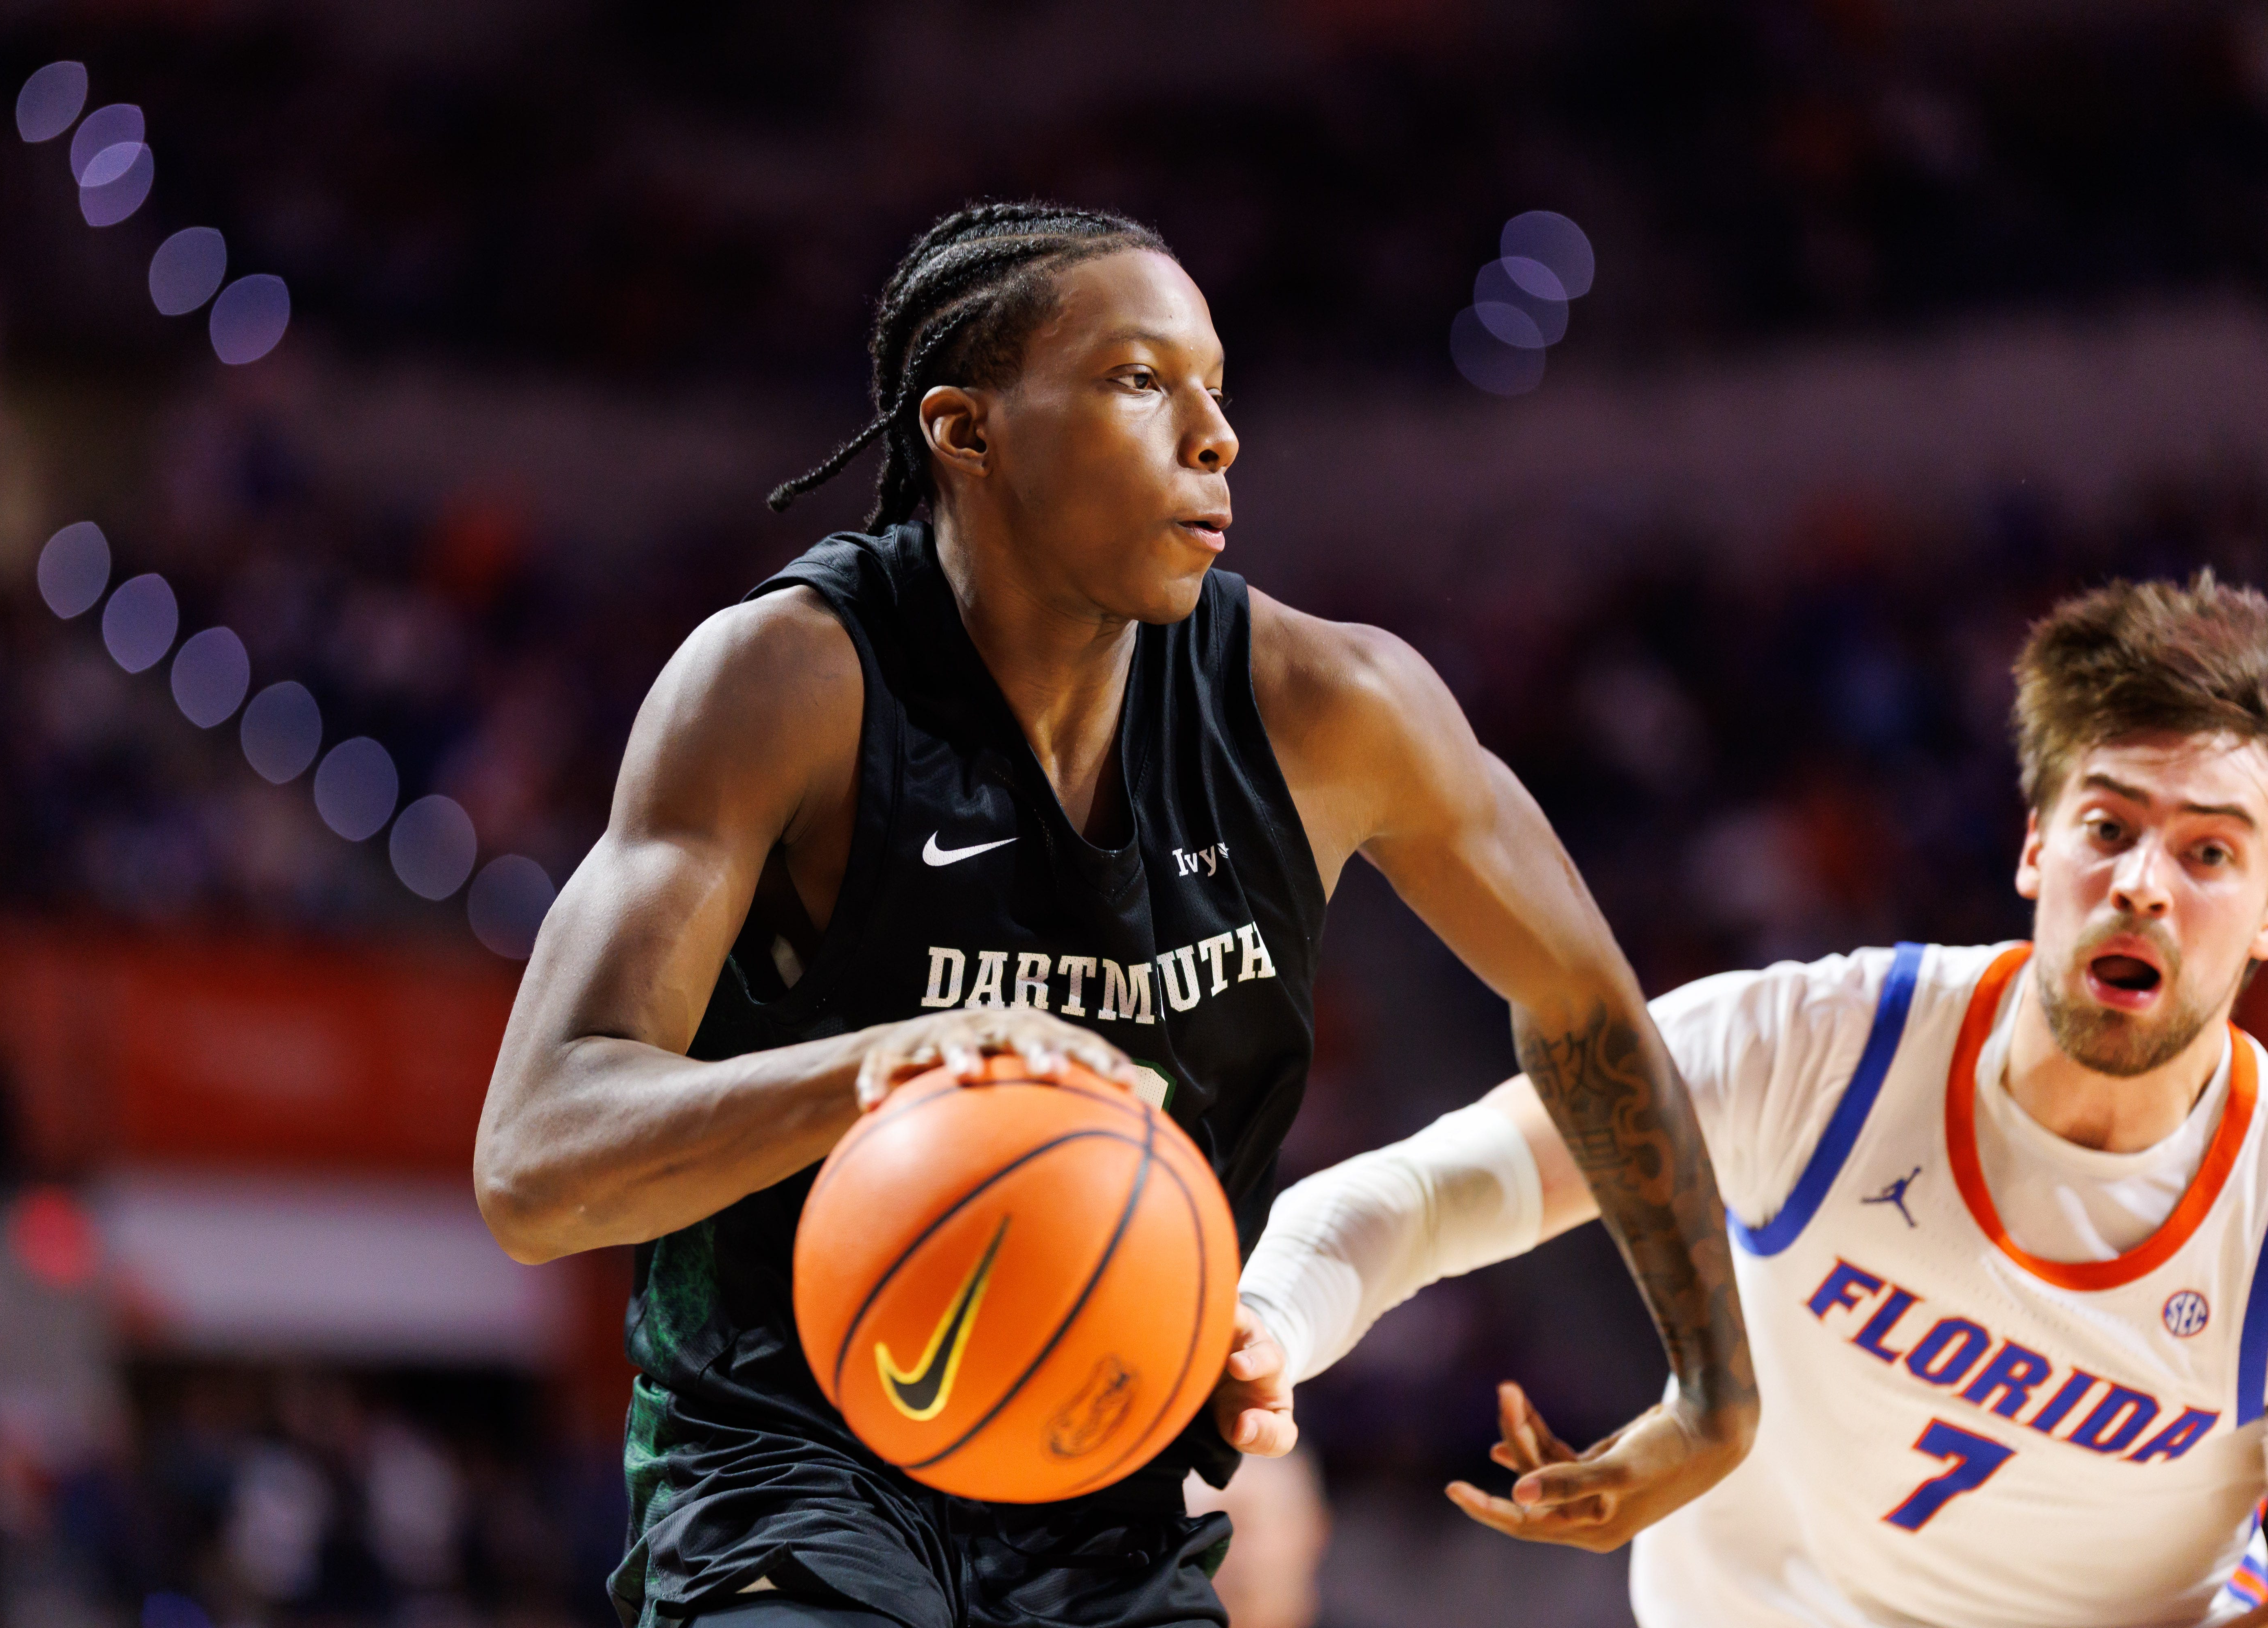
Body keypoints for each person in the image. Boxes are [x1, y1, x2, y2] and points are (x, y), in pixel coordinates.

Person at [473, 201, 1754, 1628]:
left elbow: (1582, 1000)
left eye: (1216, 386)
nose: (1216, 436)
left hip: (1108, 1471)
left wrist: (1714, 1388)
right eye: (1142, 381)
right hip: (784, 1465)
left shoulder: (1334, 708)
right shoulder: (786, 685)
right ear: (967, 432)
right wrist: (888, 1067)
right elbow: (536, 1163)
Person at [1228, 573, 2268, 1626]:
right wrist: (1267, 1326)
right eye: (2108, 827)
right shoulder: (1825, 1046)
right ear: (2038, 847)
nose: (2144, 882)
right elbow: (1428, 1192)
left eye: (2210, 852)